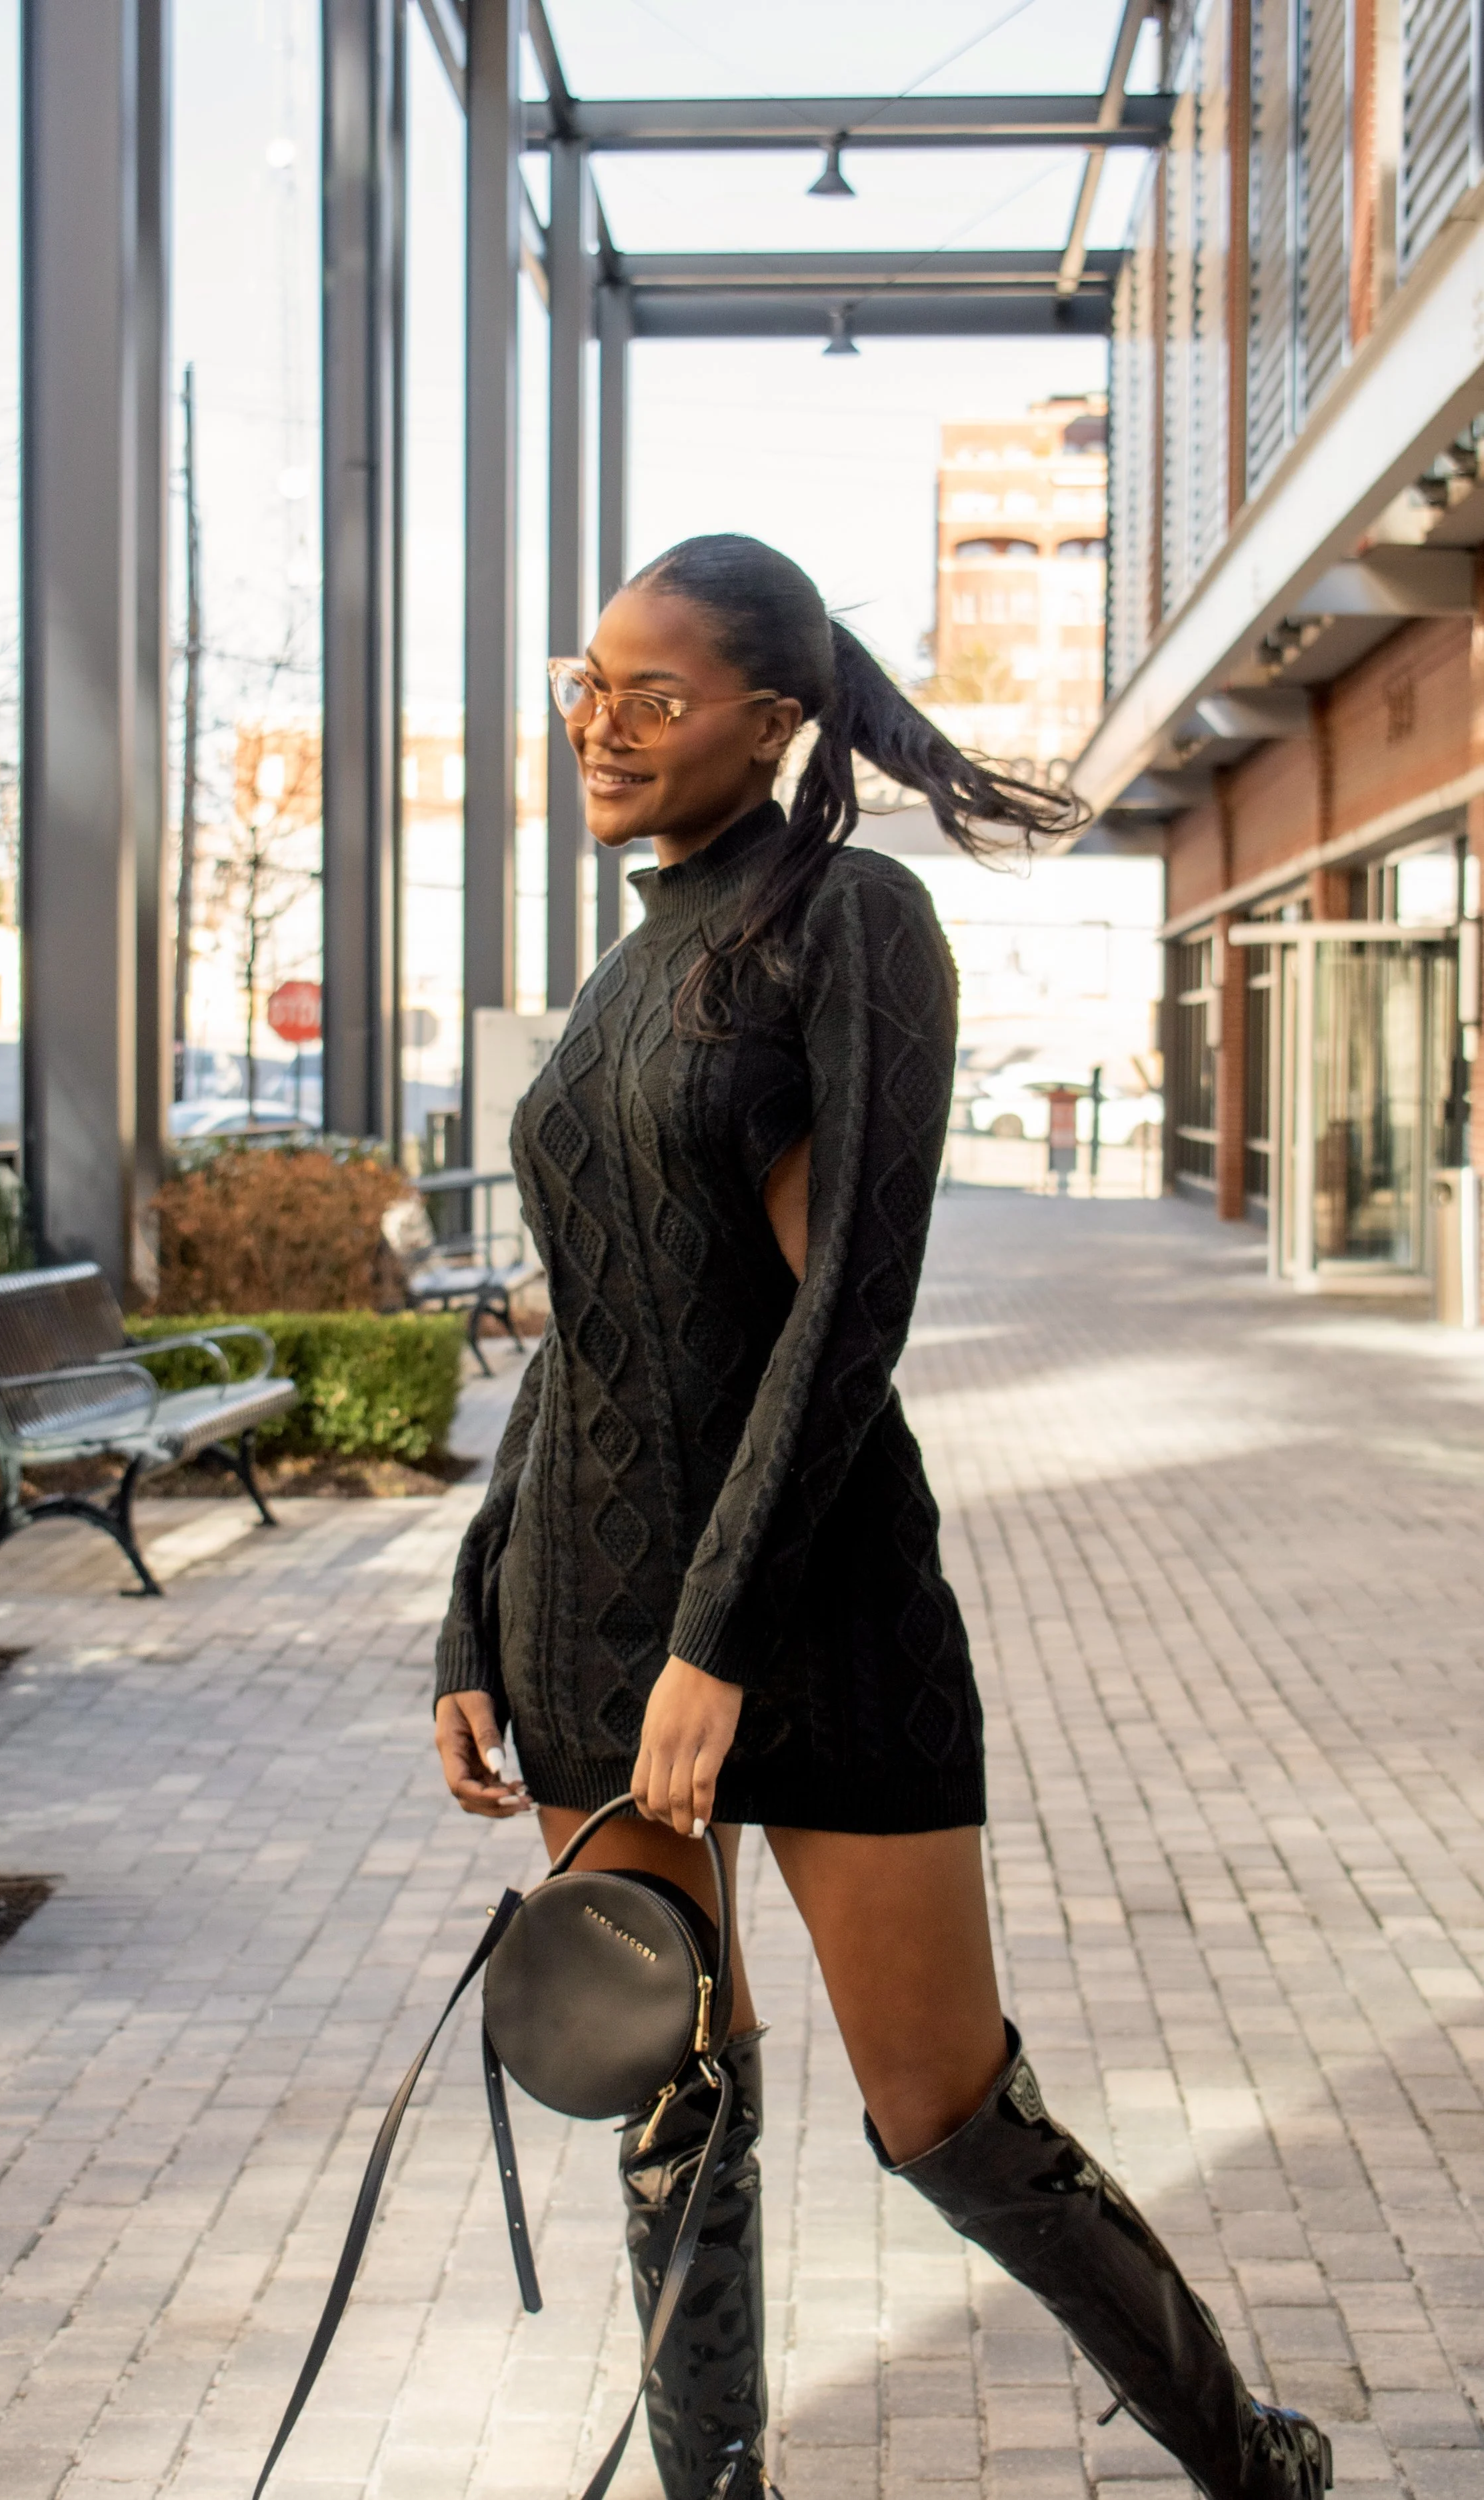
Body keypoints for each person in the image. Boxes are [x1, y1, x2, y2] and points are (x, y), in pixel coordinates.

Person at [433, 533, 1331, 2500]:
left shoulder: (849, 922)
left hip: (813, 1611)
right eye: (585, 684)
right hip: (591, 1614)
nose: (599, 724)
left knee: (946, 2111)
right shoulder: (624, 964)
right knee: (664, 2093)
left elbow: (849, 1310)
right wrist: (472, 1608)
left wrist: (719, 1639)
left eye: (652, 695)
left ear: (769, 720)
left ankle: (1251, 2462)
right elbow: (590, 1326)